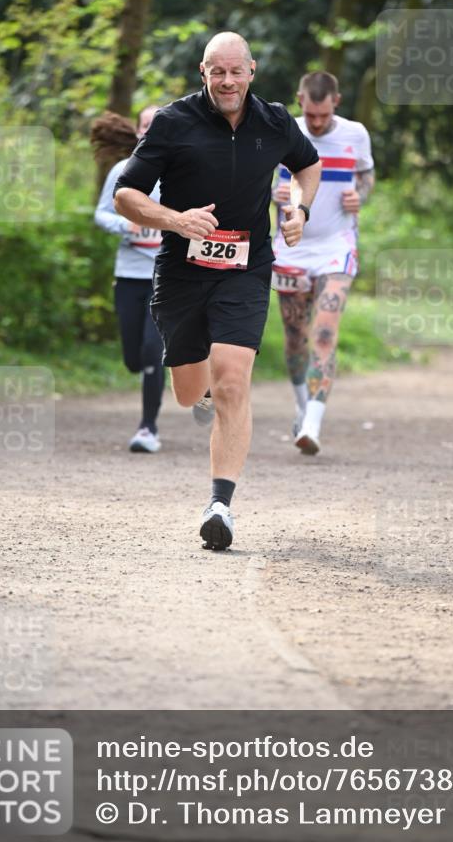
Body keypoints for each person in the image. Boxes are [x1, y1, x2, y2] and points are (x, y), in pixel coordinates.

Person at [113, 32, 321, 550]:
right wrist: (174, 219)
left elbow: (307, 165)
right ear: (201, 72)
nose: (227, 82)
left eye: (236, 71)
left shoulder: (274, 121)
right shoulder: (172, 122)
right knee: (190, 393)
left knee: (232, 382)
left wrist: (299, 209)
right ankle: (200, 387)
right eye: (217, 72)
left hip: (246, 269)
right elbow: (126, 194)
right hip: (182, 272)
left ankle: (220, 505)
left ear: (252, 70)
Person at [271, 71, 375, 455]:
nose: (315, 123)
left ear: (337, 102)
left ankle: (313, 422)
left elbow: (366, 175)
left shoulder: (355, 134)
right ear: (299, 100)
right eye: (309, 114)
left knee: (325, 332)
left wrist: (359, 195)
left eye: (322, 115)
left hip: (336, 242)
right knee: (295, 338)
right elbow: (264, 181)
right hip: (292, 246)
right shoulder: (284, 129)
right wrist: (274, 192)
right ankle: (302, 409)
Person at [92, 106, 165, 452]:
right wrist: (126, 225)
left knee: (154, 349)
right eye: (145, 126)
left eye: (158, 125)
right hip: (128, 274)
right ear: (137, 132)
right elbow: (101, 213)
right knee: (133, 358)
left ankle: (147, 428)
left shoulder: (180, 172)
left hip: (165, 276)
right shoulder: (124, 171)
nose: (150, 131)